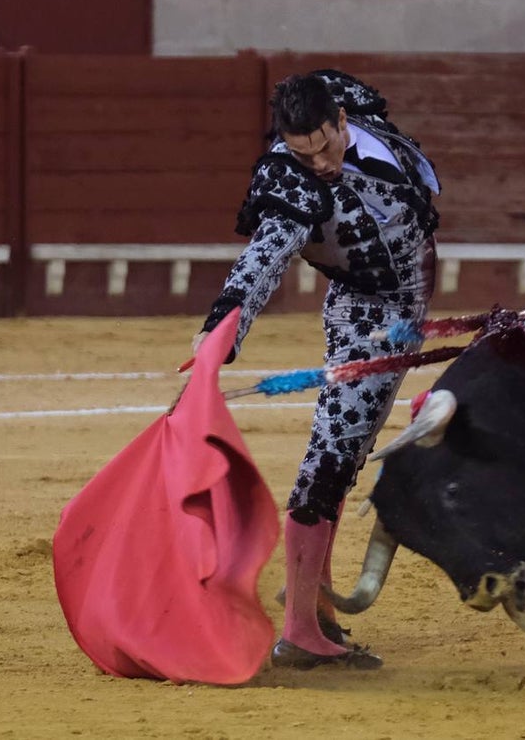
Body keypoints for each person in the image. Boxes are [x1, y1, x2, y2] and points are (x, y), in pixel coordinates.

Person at [192, 70, 441, 670]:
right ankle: (301, 632)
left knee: (347, 456)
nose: (320, 164)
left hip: (406, 319)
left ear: (341, 121)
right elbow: (264, 257)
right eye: (304, 154)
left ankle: (316, 603)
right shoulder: (291, 179)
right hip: (366, 321)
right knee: (329, 462)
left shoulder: (355, 110)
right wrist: (223, 328)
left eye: (325, 147)